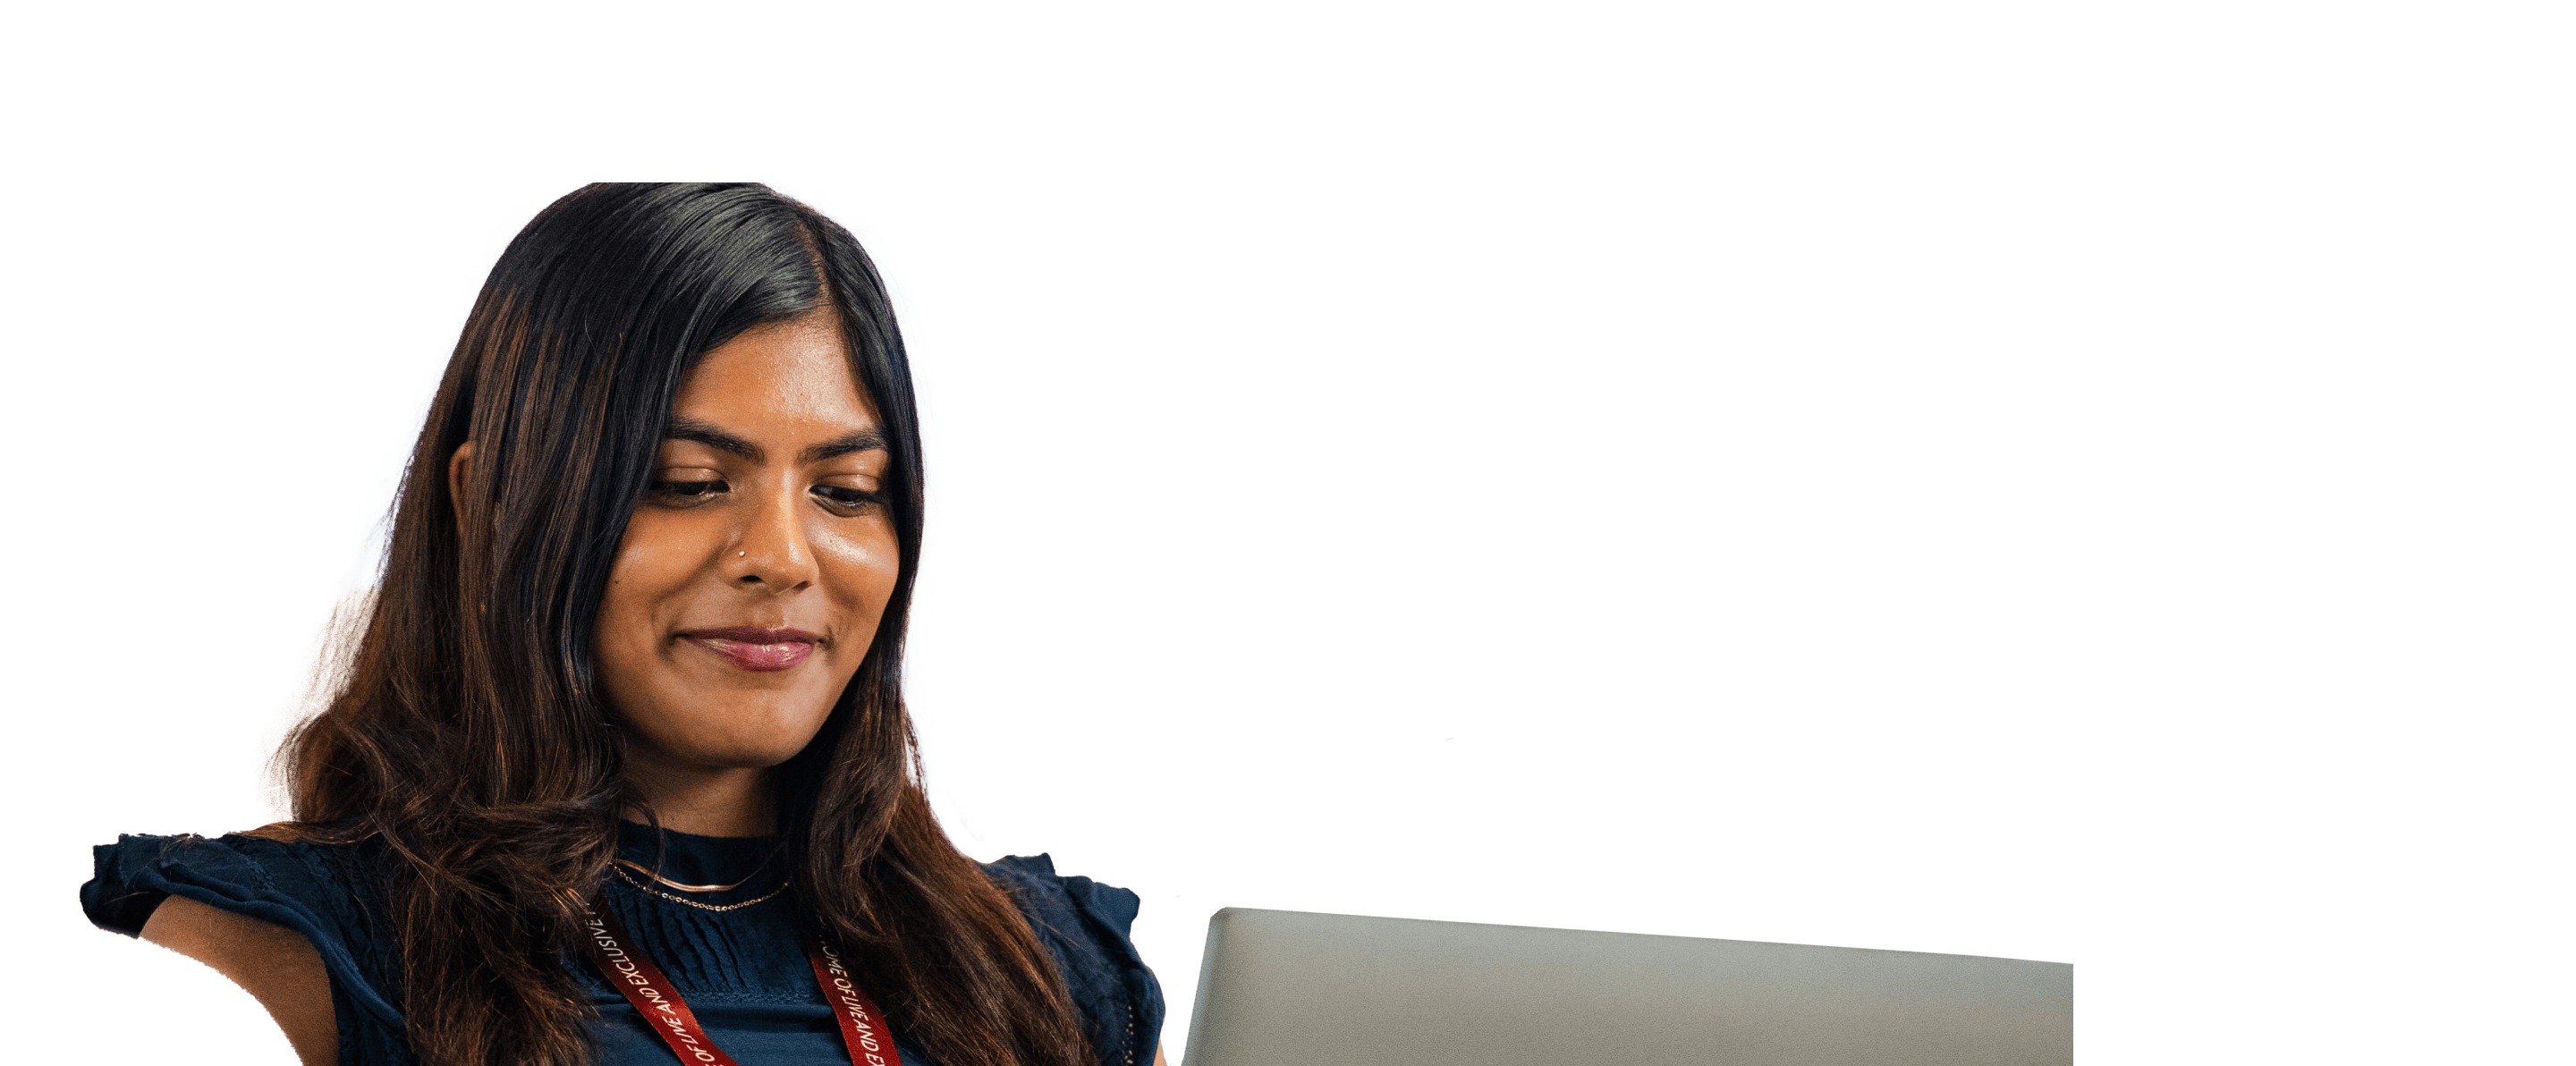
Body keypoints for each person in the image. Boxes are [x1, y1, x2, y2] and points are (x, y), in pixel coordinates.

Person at [80, 183, 1168, 1066]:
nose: (783, 558)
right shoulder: (292, 956)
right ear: (484, 504)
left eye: (845, 492)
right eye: (688, 482)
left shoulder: (1044, 973)